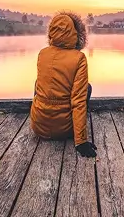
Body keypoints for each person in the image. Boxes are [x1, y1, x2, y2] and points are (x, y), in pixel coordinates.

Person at [30, 12, 97, 158]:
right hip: (64, 130)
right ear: (77, 32)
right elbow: (78, 100)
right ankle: (77, 128)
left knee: (38, 84)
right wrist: (81, 142)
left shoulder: (43, 54)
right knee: (87, 88)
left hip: (38, 128)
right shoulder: (79, 58)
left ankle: (41, 117)